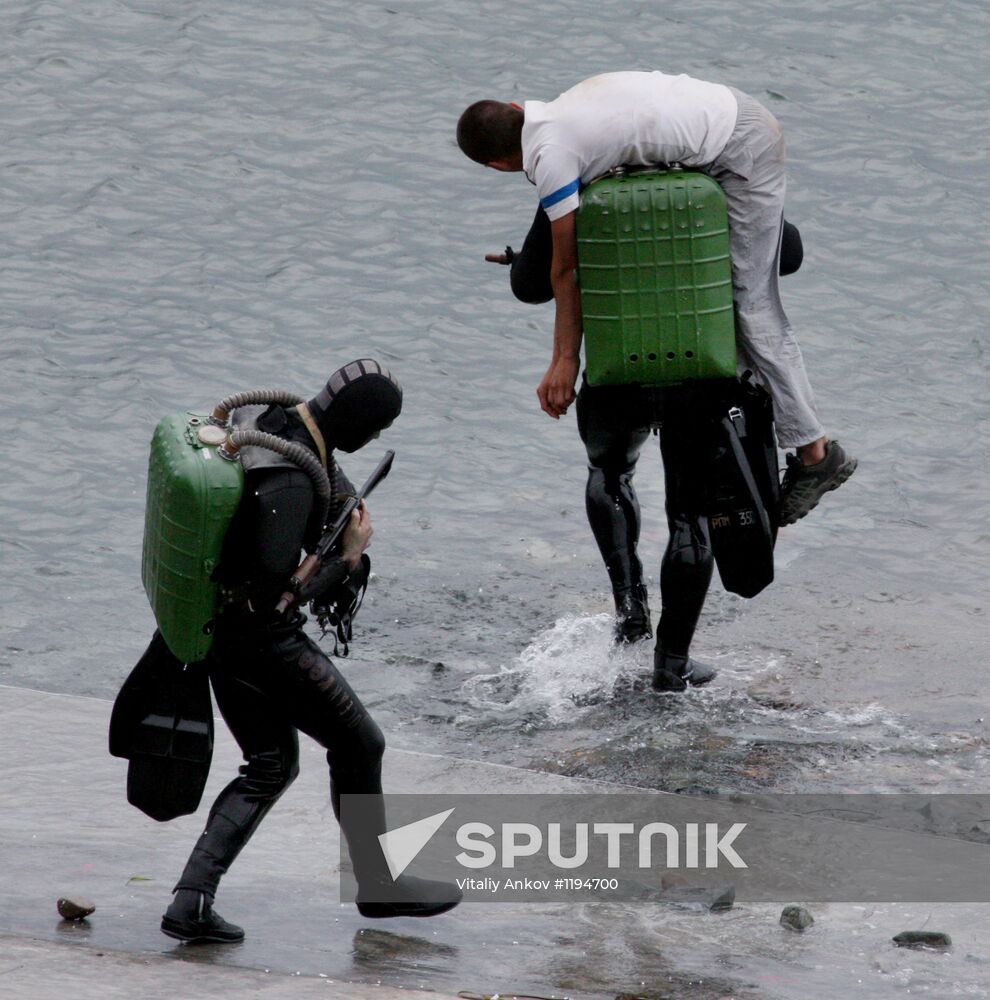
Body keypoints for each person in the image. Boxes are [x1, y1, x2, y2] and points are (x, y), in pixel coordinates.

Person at [456, 73, 858, 690]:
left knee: (610, 474)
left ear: (497, 163)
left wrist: (563, 357)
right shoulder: (693, 180)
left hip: (619, 371)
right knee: (690, 517)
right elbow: (791, 251)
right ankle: (670, 666)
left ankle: (630, 613)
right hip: (701, 371)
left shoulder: (565, 170)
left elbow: (543, 278)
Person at [160, 359, 461, 943]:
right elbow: (275, 595)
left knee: (271, 766)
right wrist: (347, 556)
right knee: (361, 743)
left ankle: (190, 900)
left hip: (219, 632)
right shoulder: (292, 482)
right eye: (374, 430)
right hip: (259, 641)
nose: (373, 441)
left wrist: (341, 505)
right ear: (354, 422)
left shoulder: (279, 422)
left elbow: (314, 486)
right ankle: (377, 884)